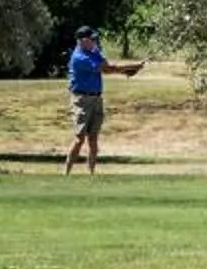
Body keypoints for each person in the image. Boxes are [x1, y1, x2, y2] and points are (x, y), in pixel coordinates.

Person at [62, 27, 145, 175]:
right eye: (91, 39)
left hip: (96, 98)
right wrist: (133, 66)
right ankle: (66, 173)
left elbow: (107, 67)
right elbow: (107, 69)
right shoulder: (79, 57)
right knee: (79, 138)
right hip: (82, 100)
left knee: (93, 139)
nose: (94, 41)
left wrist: (128, 71)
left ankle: (91, 174)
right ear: (82, 40)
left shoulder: (94, 52)